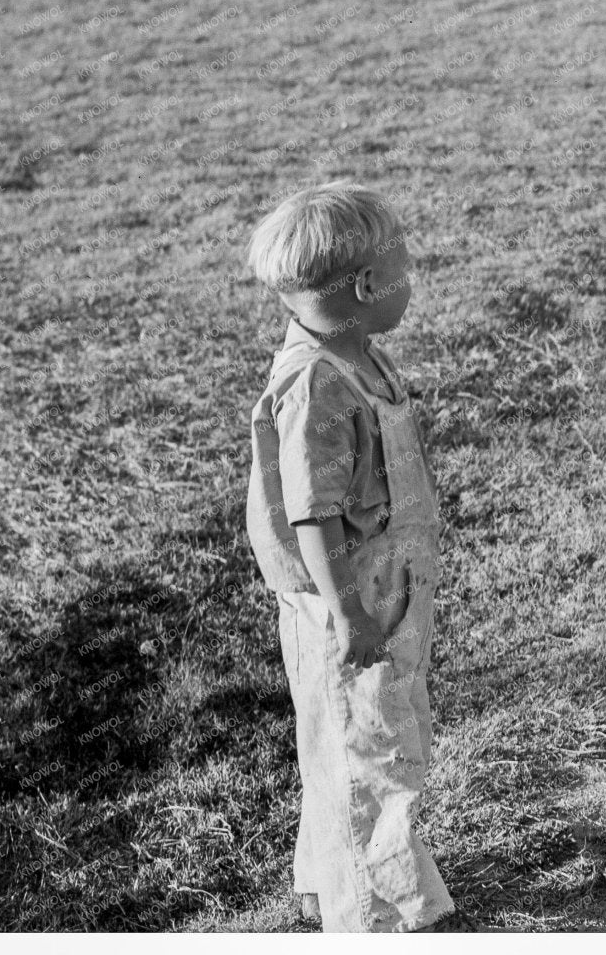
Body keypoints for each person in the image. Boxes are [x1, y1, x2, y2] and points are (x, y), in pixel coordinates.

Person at [244, 183, 460, 932]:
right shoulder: (315, 383)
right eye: (405, 263)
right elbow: (312, 512)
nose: (412, 275)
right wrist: (346, 611)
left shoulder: (357, 354)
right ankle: (385, 913)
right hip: (353, 603)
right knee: (369, 751)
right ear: (368, 285)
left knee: (345, 737)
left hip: (383, 588)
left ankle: (319, 880)